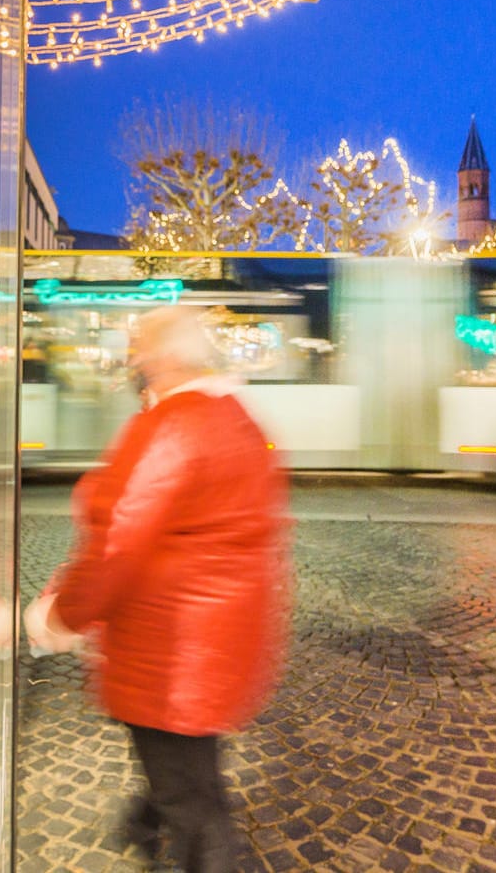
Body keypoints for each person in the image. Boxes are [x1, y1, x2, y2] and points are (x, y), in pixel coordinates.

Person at [27, 306, 292, 872]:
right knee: (187, 770)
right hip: (216, 642)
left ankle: (166, 834)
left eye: (141, 351)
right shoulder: (233, 416)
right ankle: (142, 822)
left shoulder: (172, 425)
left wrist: (61, 617)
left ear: (167, 357)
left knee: (195, 804)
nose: (135, 363)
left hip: (172, 655)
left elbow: (116, 541)